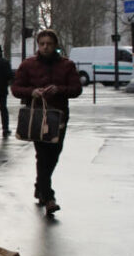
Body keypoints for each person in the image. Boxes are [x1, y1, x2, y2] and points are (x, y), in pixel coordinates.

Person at [11, 29, 82, 215]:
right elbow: (16, 88)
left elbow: (76, 89)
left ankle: (40, 186)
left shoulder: (67, 65)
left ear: (55, 45)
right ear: (38, 45)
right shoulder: (28, 65)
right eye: (42, 44)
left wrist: (59, 89)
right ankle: (49, 196)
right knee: (42, 156)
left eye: (49, 44)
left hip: (58, 116)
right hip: (36, 115)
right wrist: (32, 92)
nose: (45, 47)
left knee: (54, 154)